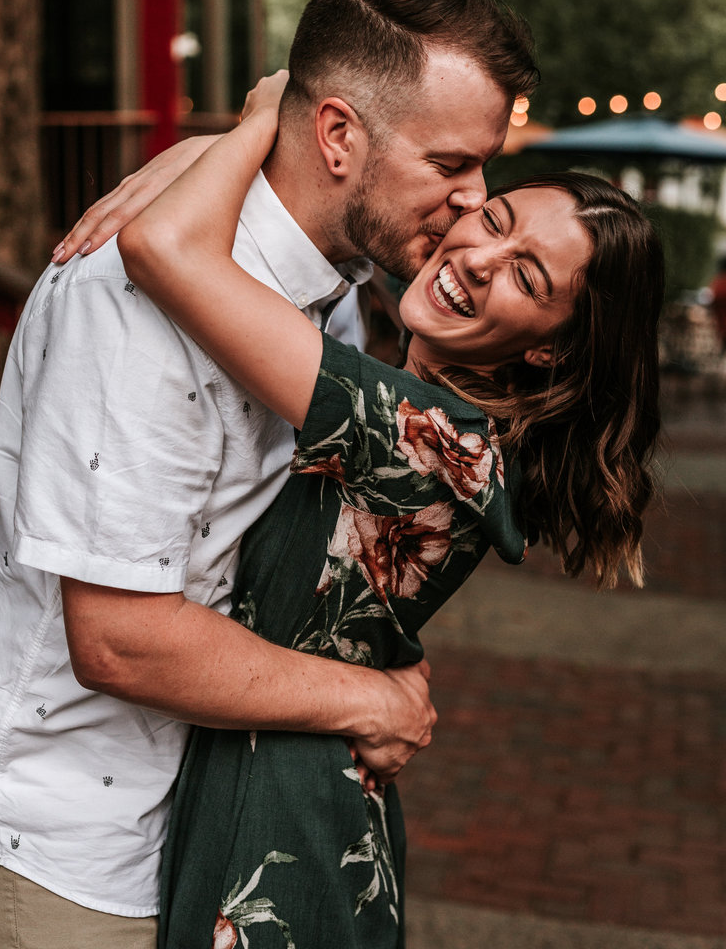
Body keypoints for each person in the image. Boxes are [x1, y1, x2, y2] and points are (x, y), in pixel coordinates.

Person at [0, 0, 539, 947]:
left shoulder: (328, 304)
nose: (472, 202)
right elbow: (120, 637)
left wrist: (245, 124)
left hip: (170, 835)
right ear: (337, 134)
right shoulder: (129, 306)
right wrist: (370, 698)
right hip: (48, 852)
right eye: (450, 165)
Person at [110, 73, 665, 949]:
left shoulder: (433, 436)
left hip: (280, 825)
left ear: (550, 346)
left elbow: (165, 247)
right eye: (496, 219)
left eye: (527, 274)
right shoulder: (407, 392)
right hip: (292, 778)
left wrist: (267, 116)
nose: (480, 257)